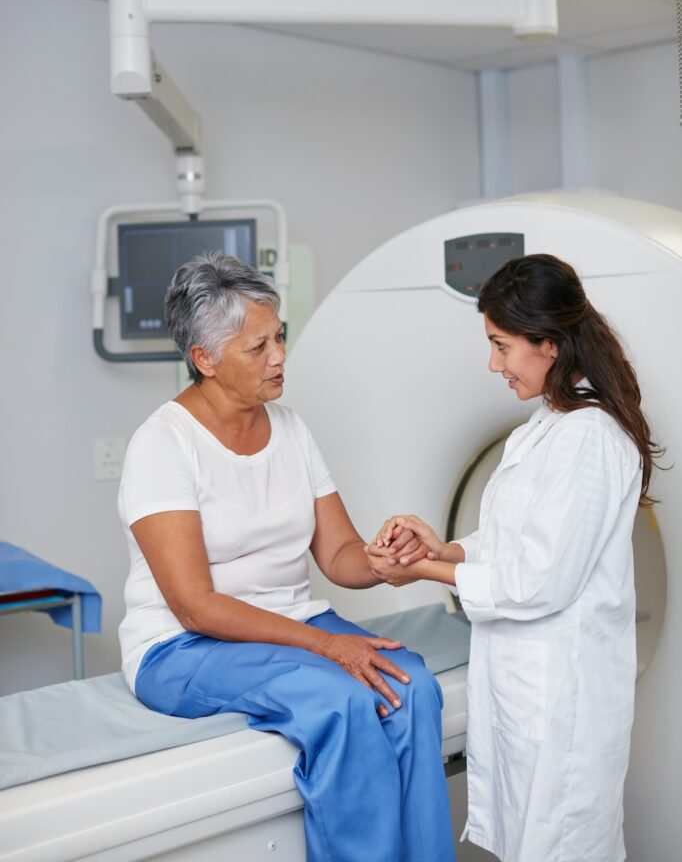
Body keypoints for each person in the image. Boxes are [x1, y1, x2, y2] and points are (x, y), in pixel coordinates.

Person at [117, 251, 455, 862]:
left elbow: (339, 555)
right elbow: (194, 606)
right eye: (257, 347)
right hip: (182, 646)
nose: (278, 358)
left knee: (414, 687)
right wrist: (329, 646)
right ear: (205, 360)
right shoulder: (162, 444)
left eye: (279, 338)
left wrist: (379, 561)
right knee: (343, 702)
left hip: (291, 623)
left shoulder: (291, 428)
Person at [366, 253, 662, 862]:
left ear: (548, 344)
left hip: (563, 702)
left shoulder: (589, 437)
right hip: (529, 693)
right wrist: (442, 547)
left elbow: (539, 583)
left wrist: (421, 570)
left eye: (502, 346)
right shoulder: (546, 425)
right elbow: (516, 543)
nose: (493, 363)